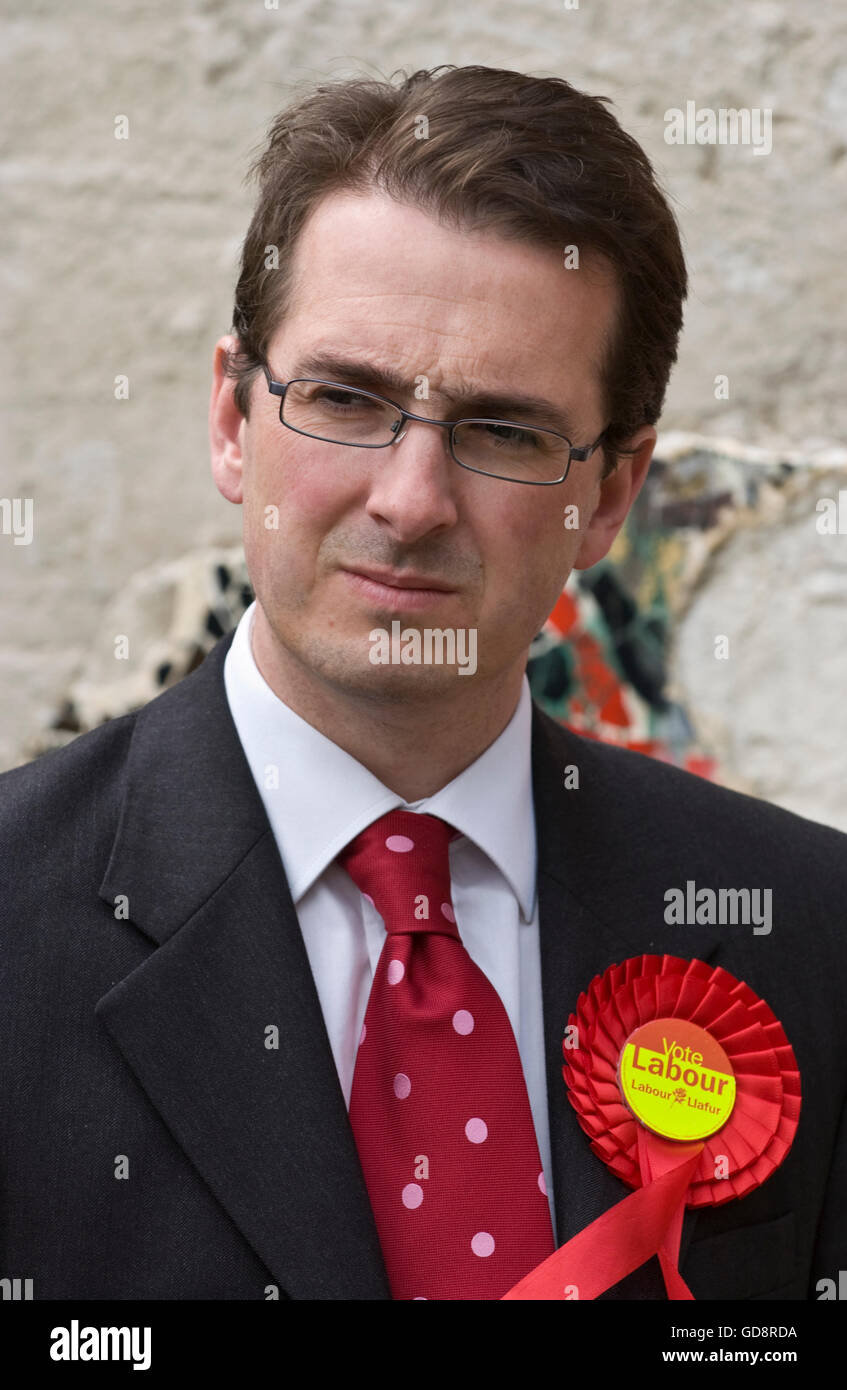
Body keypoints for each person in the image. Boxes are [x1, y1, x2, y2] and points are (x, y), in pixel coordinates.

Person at [1, 64, 844, 1302]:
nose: (408, 501)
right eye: (345, 399)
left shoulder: (811, 934)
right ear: (234, 420)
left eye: (504, 431)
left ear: (607, 492)